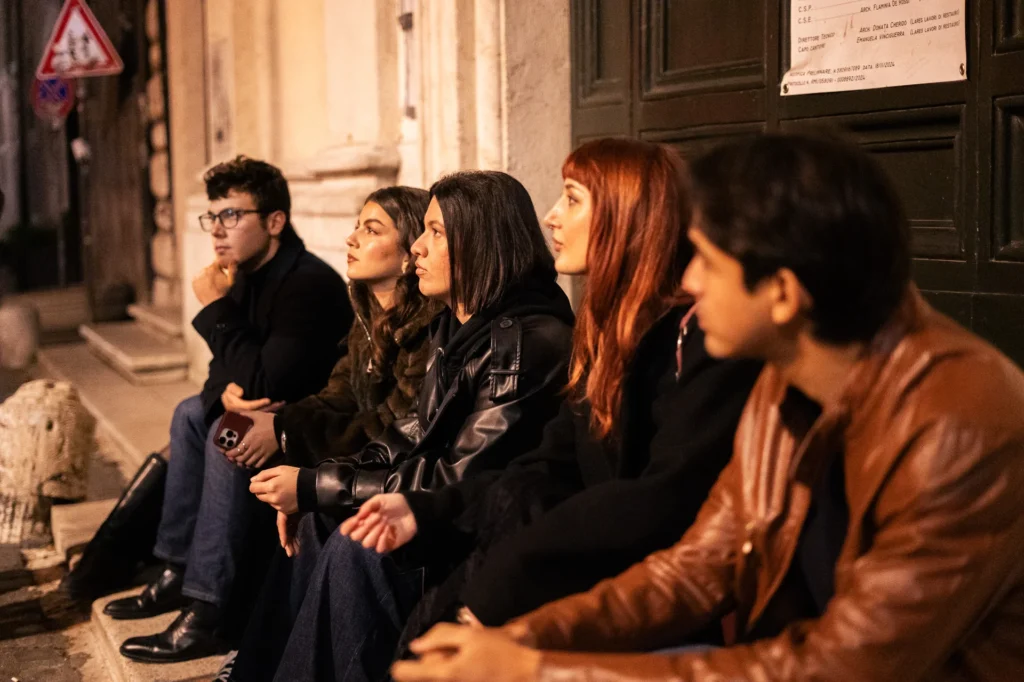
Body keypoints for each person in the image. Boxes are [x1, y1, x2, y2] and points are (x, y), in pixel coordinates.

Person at [392, 133, 1024, 682]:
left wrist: (539, 667)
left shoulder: (959, 427)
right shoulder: (790, 378)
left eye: (708, 264)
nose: (688, 282)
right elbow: (694, 569)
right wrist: (521, 637)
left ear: (781, 294)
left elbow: (841, 669)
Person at [343, 139, 761, 647]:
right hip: (594, 564)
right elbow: (547, 466)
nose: (551, 217)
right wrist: (423, 509)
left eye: (572, 198)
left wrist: (502, 582)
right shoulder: (603, 329)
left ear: (627, 215)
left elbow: (659, 502)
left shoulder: (695, 338)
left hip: (658, 595)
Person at [225, 170, 576, 682]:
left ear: (480, 241)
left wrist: (314, 484)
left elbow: (460, 479)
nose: (417, 248)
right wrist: (318, 482)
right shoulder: (456, 325)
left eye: (435, 232)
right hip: (446, 512)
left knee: (355, 538)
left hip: (483, 536)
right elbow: (406, 434)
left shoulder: (522, 342)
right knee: (318, 514)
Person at [106, 156, 352, 664]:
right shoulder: (244, 275)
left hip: (314, 423)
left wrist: (215, 309)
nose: (217, 231)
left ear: (275, 221)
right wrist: (229, 390)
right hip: (271, 409)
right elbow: (224, 374)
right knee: (190, 414)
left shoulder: (306, 283)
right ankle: (176, 569)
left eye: (231, 216)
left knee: (226, 429)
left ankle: (209, 610)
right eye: (211, 217)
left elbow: (265, 381)